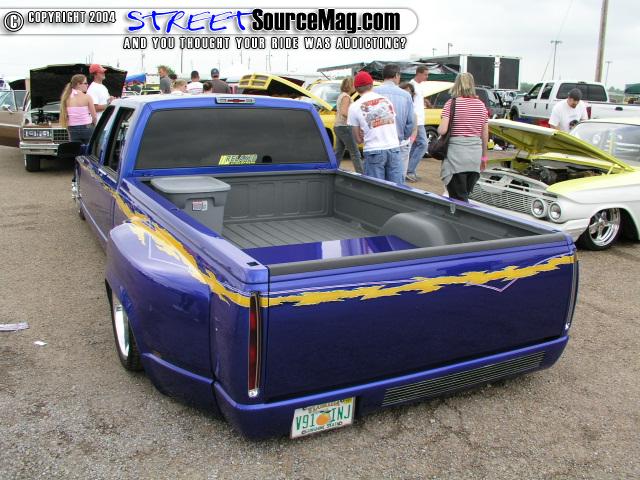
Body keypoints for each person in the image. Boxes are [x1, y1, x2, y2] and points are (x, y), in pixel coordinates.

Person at [437, 72, 489, 202]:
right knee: (464, 194)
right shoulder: (481, 105)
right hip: (474, 158)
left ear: (456, 85)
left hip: (456, 158)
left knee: (458, 200)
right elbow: (485, 134)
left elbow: (442, 130)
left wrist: (439, 127)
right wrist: (484, 157)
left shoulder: (451, 104)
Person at [347, 71, 402, 184]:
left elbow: (358, 139)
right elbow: (392, 123)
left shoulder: (354, 107)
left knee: (376, 189)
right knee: (397, 189)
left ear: (356, 88)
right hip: (393, 148)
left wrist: (363, 134)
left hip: (373, 150)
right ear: (372, 85)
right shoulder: (386, 101)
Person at [373, 64, 415, 184]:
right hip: (397, 143)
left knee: (376, 184)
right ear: (396, 75)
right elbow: (410, 122)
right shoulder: (406, 96)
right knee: (396, 185)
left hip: (377, 144)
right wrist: (403, 137)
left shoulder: (373, 93)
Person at [333, 77, 364, 174]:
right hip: (345, 126)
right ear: (350, 86)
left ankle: (332, 169)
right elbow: (343, 112)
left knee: (339, 152)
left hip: (338, 126)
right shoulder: (346, 97)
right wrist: (354, 118)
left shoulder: (341, 96)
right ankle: (362, 174)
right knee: (355, 152)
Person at [406, 66, 430, 182]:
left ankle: (408, 170)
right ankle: (409, 171)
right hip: (416, 121)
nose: (427, 77)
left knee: (415, 146)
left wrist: (424, 101)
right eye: (425, 74)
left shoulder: (418, 86)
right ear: (418, 74)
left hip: (419, 120)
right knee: (423, 144)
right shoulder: (412, 86)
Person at [60, 74, 97, 143]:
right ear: (78, 84)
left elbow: (66, 117)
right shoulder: (87, 97)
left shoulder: (66, 98)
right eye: (85, 83)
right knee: (89, 148)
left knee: (75, 149)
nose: (87, 85)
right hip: (87, 127)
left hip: (72, 128)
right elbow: (94, 116)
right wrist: (93, 125)